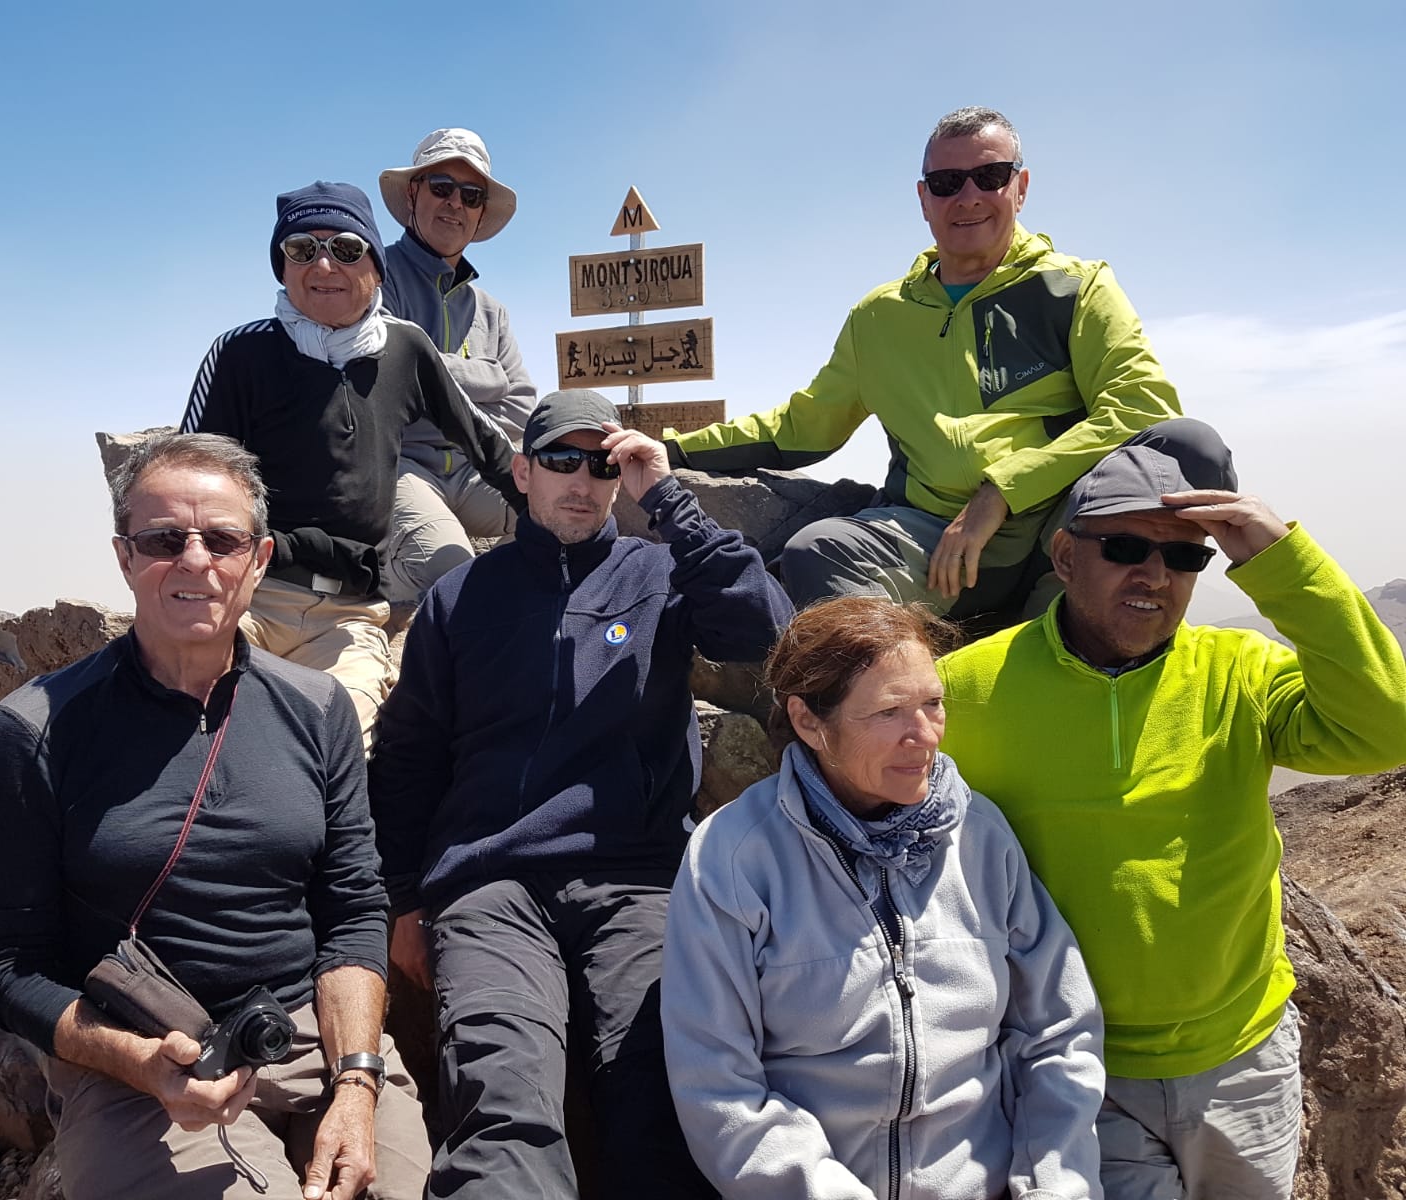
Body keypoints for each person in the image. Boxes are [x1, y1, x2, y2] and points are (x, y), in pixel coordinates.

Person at [0, 433, 432, 1200]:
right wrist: (135, 1063)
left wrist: (357, 1082)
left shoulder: (317, 712)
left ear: (260, 556)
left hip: (311, 1037)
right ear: (123, 556)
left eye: (221, 539)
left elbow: (350, 909)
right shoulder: (37, 731)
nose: (194, 560)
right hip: (137, 1057)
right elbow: (4, 964)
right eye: (162, 540)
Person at [937, 439, 1406, 1198]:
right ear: (1063, 557)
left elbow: (1387, 729)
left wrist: (1284, 563)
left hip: (1243, 1059)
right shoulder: (967, 689)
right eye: (1124, 547)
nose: (1154, 575)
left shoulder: (1242, 672)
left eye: (1186, 559)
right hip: (1079, 1067)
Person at [368, 389, 794, 1197]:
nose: (583, 480)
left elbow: (765, 629)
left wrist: (668, 499)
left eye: (604, 464)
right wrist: (402, 899)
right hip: (490, 887)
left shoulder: (661, 573)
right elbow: (410, 757)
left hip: (636, 879)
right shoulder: (461, 599)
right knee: (504, 1100)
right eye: (561, 460)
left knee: (663, 1093)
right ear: (522, 472)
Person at [665, 106, 1182, 627]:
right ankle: (906, 694)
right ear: (923, 199)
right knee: (817, 552)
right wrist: (670, 449)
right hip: (935, 543)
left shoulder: (1077, 287)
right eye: (946, 182)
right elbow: (803, 428)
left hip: (1061, 531)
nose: (968, 196)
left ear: (1020, 186)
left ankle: (1053, 644)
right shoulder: (879, 316)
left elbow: (1143, 409)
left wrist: (1000, 493)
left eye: (990, 176)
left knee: (1193, 450)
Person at [661, 597, 1106, 1199]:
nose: (923, 735)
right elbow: (717, 1085)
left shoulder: (980, 836)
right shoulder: (734, 858)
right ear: (810, 722)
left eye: (933, 704)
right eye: (890, 711)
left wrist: (1053, 1187)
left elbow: (1058, 1031)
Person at [181, 180, 521, 740]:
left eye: (344, 248)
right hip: (248, 594)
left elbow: (485, 444)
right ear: (281, 267)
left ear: (376, 268)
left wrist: (558, 519)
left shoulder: (405, 348)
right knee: (197, 737)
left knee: (342, 749)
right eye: (300, 249)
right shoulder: (242, 352)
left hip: (352, 613)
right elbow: (185, 481)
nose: (323, 264)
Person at [377, 127, 538, 602]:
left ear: (480, 211)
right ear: (413, 193)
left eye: (471, 195)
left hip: (476, 472)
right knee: (451, 571)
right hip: (402, 468)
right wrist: (489, 376)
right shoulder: (372, 277)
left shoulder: (490, 310)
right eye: (441, 187)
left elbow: (521, 410)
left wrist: (429, 378)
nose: (456, 204)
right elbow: (387, 381)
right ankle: (374, 584)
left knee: (570, 518)